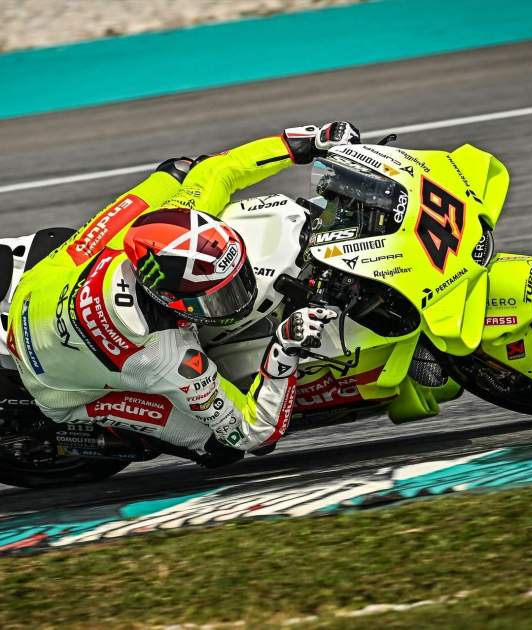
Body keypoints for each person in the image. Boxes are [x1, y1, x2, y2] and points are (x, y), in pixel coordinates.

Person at [7, 122, 361, 465]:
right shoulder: (165, 357)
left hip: (49, 277)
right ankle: (104, 428)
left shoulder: (159, 230)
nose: (239, 299)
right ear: (167, 298)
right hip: (53, 384)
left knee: (180, 170)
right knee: (218, 447)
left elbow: (217, 171)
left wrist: (303, 143)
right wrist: (283, 351)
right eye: (218, 298)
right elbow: (251, 432)